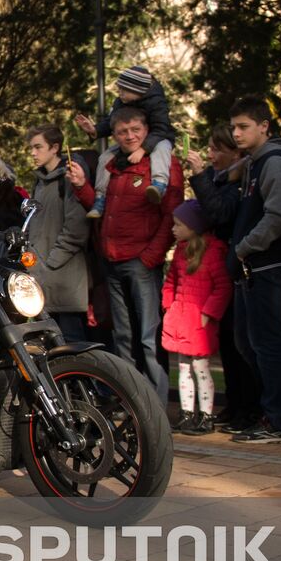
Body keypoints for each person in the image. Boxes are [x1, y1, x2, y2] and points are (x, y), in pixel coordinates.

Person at [189, 96, 281, 443]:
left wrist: (243, 247)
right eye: (234, 127)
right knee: (248, 342)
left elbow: (277, 216)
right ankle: (279, 413)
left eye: (244, 127)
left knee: (266, 344)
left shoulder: (275, 161)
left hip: (265, 263)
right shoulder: (254, 162)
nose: (237, 134)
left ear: (264, 126)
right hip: (249, 266)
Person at [68, 106, 185, 404]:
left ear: (146, 130)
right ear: (115, 134)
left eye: (135, 130)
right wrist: (82, 187)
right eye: (122, 132)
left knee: (148, 337)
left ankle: (155, 406)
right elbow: (100, 207)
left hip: (141, 262)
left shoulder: (162, 163)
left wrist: (150, 257)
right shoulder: (111, 164)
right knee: (123, 338)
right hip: (113, 261)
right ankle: (131, 403)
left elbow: (171, 215)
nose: (129, 136)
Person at [161, 201, 232, 434]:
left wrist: (208, 313)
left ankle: (206, 415)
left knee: (201, 368)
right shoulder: (181, 252)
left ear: (194, 226)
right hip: (181, 317)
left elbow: (222, 287)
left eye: (179, 225)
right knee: (183, 368)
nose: (174, 229)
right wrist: (168, 305)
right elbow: (171, 280)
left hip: (199, 320)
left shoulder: (213, 253)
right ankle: (187, 413)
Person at [75, 66, 179, 218]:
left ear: (137, 90)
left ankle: (159, 184)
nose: (120, 93)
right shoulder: (121, 102)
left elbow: (161, 128)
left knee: (162, 149)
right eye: (119, 89)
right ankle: (100, 197)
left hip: (159, 137)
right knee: (105, 157)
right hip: (135, 142)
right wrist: (95, 130)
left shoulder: (156, 102)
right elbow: (112, 121)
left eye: (124, 90)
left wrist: (142, 150)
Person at [25, 124, 91, 342]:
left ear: (54, 148)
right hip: (42, 276)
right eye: (31, 148)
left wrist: (52, 260)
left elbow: (76, 227)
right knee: (49, 343)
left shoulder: (69, 178)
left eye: (38, 147)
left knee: (72, 341)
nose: (33, 153)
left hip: (65, 278)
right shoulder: (39, 182)